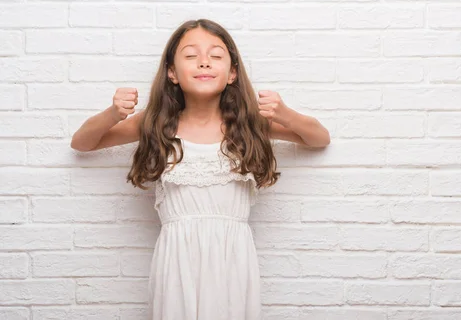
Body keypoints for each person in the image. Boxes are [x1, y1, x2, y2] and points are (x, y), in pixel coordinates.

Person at [71, 19, 330, 320]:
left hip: (233, 259)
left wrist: (285, 114)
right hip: (177, 260)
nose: (204, 62)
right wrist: (113, 113)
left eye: (216, 56)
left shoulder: (248, 124)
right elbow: (83, 142)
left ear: (232, 73)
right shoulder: (155, 123)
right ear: (172, 72)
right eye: (191, 55)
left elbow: (319, 138)